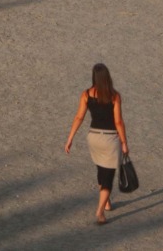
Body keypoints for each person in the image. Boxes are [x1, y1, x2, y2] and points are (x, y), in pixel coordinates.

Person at [64, 63, 129, 225]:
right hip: (109, 139)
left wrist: (70, 138)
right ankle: (100, 212)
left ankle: (106, 203)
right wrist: (124, 142)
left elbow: (79, 117)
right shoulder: (114, 96)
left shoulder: (86, 94)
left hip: (93, 137)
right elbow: (118, 122)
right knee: (108, 176)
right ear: (107, 77)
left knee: (101, 169)